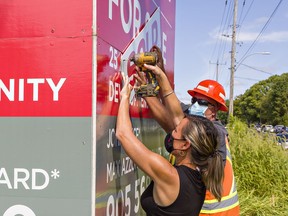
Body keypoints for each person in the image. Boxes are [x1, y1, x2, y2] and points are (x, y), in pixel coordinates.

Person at [134, 57, 240, 215]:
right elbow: (171, 106)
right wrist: (152, 86)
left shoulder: (214, 132)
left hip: (215, 213)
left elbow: (174, 121)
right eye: (194, 100)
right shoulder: (193, 120)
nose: (196, 105)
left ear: (215, 109)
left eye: (203, 103)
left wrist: (158, 82)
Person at [116, 74, 224, 216]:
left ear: (185, 145)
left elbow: (123, 134)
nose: (170, 135)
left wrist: (124, 96)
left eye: (175, 131)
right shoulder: (200, 175)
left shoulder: (168, 174)